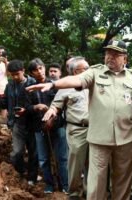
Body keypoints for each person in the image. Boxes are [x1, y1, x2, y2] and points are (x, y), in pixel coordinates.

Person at [26, 40, 132, 200]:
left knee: (122, 182)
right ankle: (74, 192)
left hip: (127, 138)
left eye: (116, 54)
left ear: (125, 59)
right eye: (108, 53)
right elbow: (76, 80)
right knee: (96, 184)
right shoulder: (94, 72)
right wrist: (53, 85)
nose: (110, 57)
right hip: (99, 138)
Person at [43, 57, 89, 200]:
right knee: (75, 164)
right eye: (85, 69)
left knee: (94, 164)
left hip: (96, 129)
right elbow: (56, 105)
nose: (89, 71)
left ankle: (90, 193)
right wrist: (51, 112)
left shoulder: (93, 84)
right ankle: (74, 193)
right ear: (76, 71)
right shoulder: (66, 86)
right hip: (77, 129)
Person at [0, 60, 38, 185]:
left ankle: (32, 178)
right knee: (17, 152)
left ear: (23, 71)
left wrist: (27, 110)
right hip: (17, 123)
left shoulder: (33, 83)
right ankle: (20, 173)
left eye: (17, 74)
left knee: (34, 151)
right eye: (12, 75)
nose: (15, 77)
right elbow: (6, 103)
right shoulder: (10, 85)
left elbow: (38, 103)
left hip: (32, 123)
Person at [26, 58, 68, 194]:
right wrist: (35, 107)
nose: (39, 72)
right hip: (39, 128)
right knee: (43, 159)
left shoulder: (55, 85)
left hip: (58, 126)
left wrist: (53, 118)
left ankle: (65, 185)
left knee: (62, 157)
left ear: (44, 68)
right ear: (32, 73)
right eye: (35, 70)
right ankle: (49, 185)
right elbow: (26, 107)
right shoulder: (29, 88)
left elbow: (63, 103)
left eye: (41, 68)